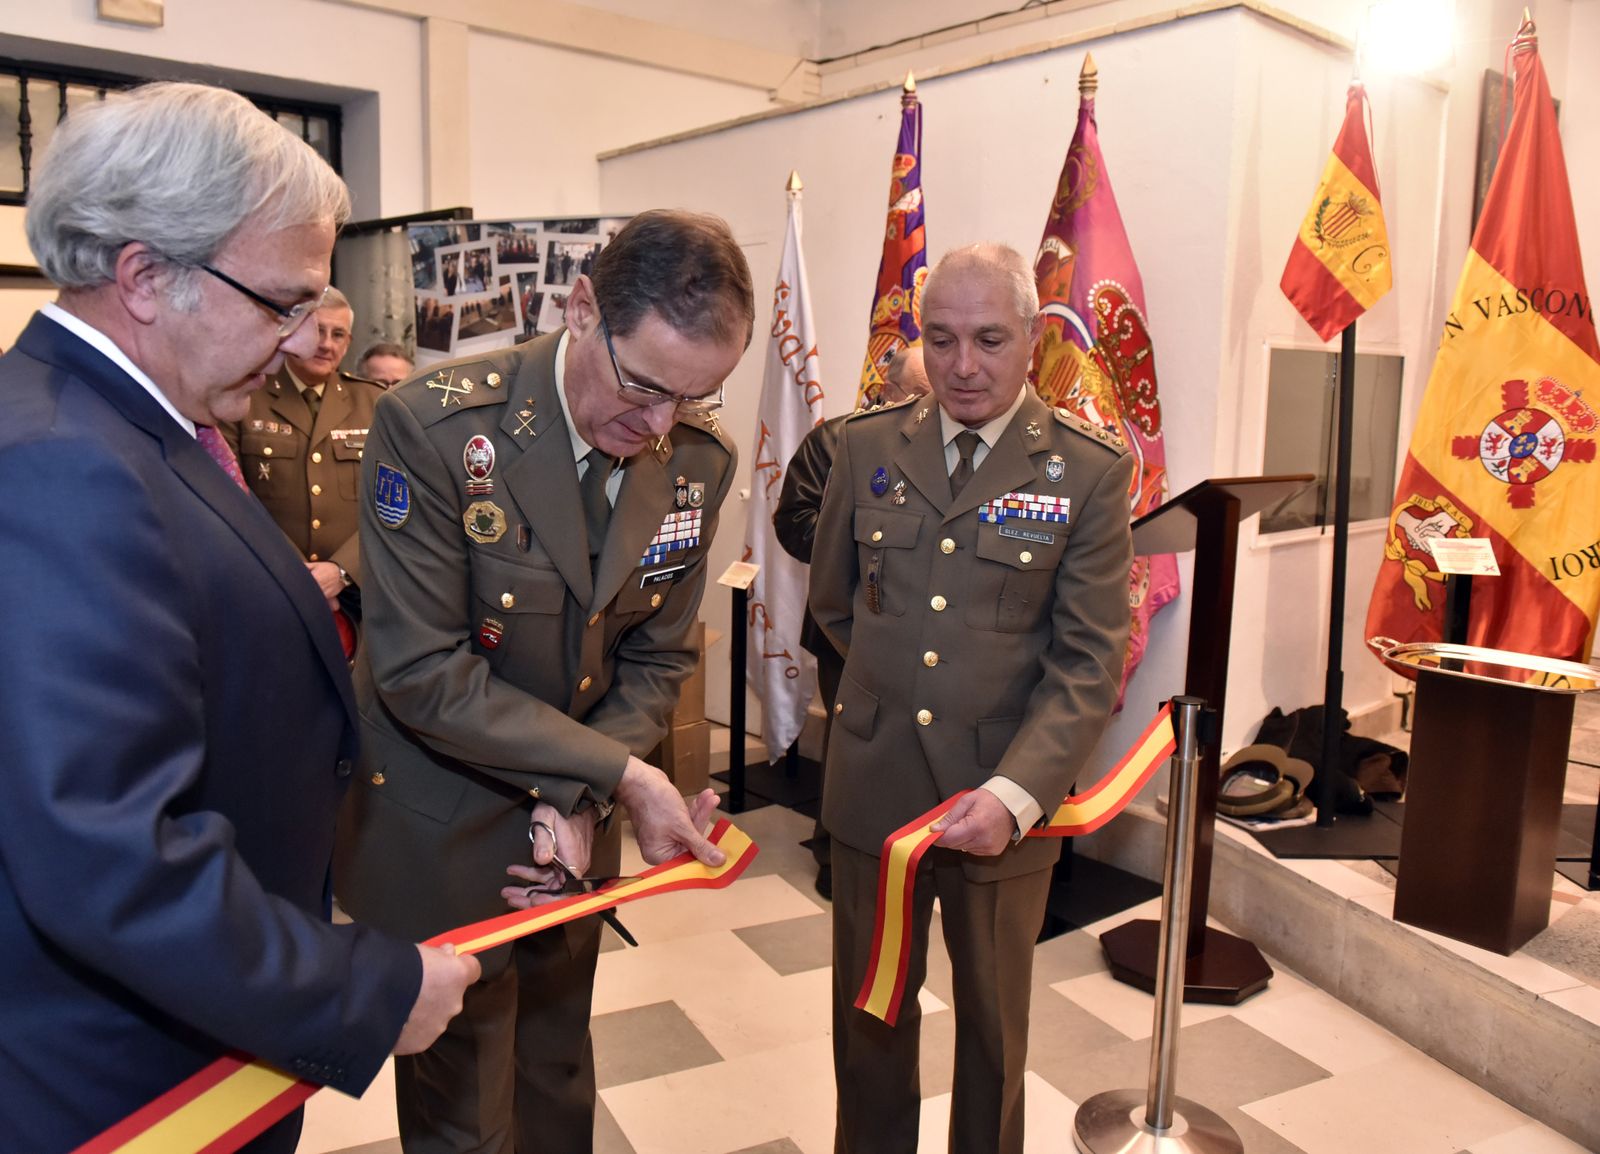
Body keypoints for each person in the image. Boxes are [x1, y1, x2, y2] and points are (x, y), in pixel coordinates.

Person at [0, 81, 478, 1154]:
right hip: (125, 1077)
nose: (306, 334)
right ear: (144, 278)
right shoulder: (66, 465)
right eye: (281, 299)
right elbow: (107, 848)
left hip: (196, 1025)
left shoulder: (134, 428)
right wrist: (359, 985)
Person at [335, 209, 755, 1154]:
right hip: (445, 825)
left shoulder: (695, 460)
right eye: (644, 386)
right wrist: (623, 777)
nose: (658, 426)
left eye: (692, 399)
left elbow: (656, 655)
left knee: (559, 1083)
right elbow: (421, 673)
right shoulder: (437, 429)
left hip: (574, 829)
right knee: (463, 1113)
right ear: (579, 309)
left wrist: (580, 794)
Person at [809, 244, 1134, 1154]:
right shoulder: (866, 445)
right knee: (867, 1021)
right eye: (941, 338)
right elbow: (835, 605)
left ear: (1031, 337)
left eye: (990, 339)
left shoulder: (1087, 470)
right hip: (874, 788)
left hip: (1002, 792)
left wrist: (1017, 794)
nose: (962, 365)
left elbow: (1089, 660)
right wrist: (898, 691)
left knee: (993, 1031)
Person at [773, 344, 930, 899]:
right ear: (884, 392)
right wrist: (871, 548)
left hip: (930, 634)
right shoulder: (837, 441)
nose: (925, 411)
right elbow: (793, 522)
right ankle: (838, 856)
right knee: (852, 747)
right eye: (914, 397)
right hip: (850, 630)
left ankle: (916, 852)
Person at [222, 286, 386, 655]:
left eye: (338, 334)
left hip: (356, 598)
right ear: (293, 332)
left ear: (348, 343)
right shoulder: (245, 397)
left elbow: (396, 505)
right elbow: (230, 494)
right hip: (265, 588)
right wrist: (294, 572)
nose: (327, 343)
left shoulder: (375, 404)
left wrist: (341, 571)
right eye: (318, 330)